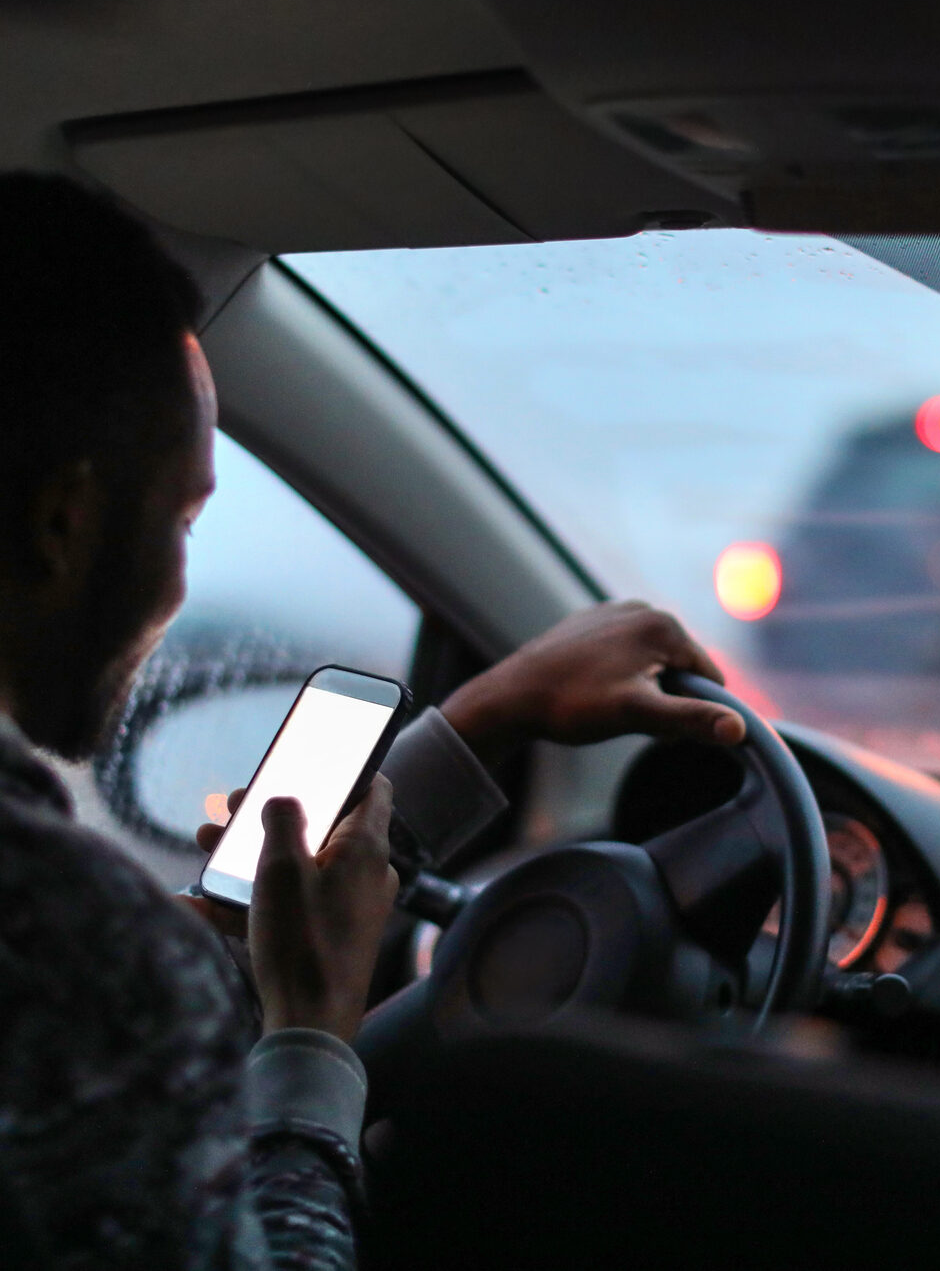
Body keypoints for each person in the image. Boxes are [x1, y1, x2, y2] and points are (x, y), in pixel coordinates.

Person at [0, 171, 745, 1269]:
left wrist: (487, 716)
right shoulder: (79, 946)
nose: (179, 583)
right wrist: (310, 1038)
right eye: (184, 516)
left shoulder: (67, 943)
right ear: (63, 522)